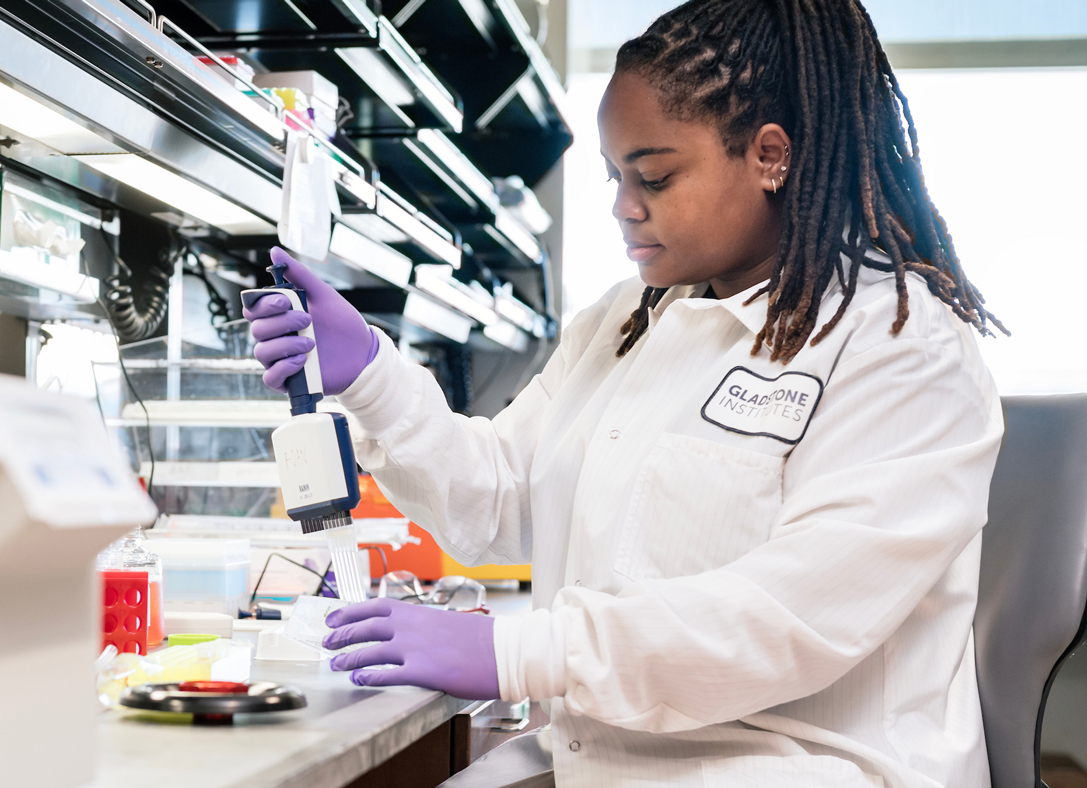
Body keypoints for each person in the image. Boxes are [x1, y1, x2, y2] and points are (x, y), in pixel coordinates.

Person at [245, 0, 1006, 784]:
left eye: (655, 175)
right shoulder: (625, 322)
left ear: (769, 156)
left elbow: (786, 619)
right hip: (607, 759)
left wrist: (520, 651)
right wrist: (371, 376)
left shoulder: (900, 344)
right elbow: (501, 501)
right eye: (614, 175)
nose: (623, 205)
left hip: (802, 766)